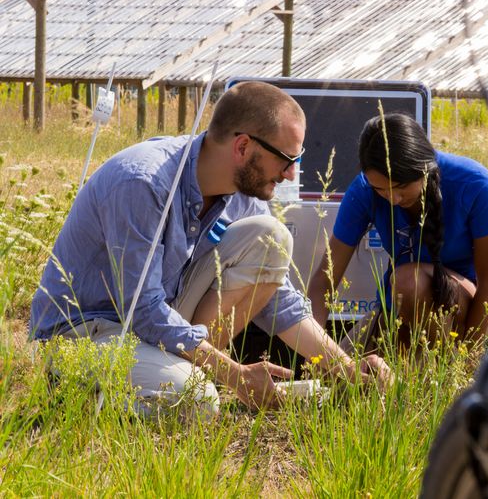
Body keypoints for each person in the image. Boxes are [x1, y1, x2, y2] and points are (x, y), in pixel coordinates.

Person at [30, 81, 391, 419]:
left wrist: (345, 368)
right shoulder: (143, 183)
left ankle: (191, 376)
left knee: (272, 237)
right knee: (197, 402)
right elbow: (141, 309)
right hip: (84, 333)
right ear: (243, 147)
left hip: (149, 322)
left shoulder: (241, 195)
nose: (290, 176)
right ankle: (76, 393)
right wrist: (235, 373)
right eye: (286, 160)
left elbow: (279, 301)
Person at [309, 113, 488, 351]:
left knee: (409, 282)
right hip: (401, 307)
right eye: (381, 190)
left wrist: (468, 363)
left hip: (477, 305)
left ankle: (440, 363)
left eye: (401, 187)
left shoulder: (473, 184)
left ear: (424, 169)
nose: (393, 199)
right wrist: (315, 354)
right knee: (338, 377)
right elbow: (324, 280)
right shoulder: (364, 191)